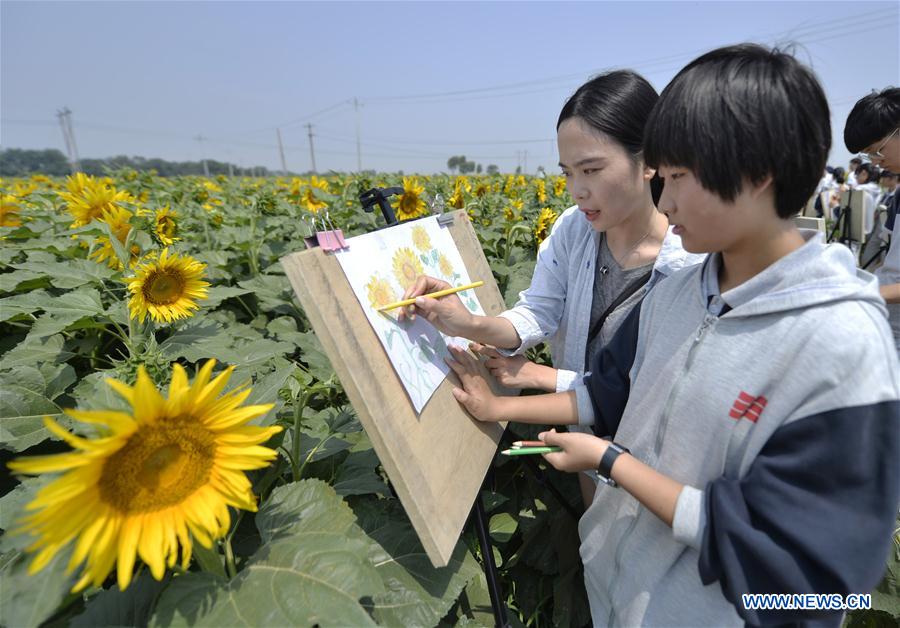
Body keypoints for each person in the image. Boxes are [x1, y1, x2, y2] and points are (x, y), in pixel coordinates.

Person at [445, 44, 899, 626]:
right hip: (619, 590)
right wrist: (498, 403)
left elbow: (824, 585)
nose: (665, 198)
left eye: (678, 177)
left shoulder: (840, 342)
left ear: (757, 175)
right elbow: (606, 391)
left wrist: (612, 463)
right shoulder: (681, 294)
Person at [400, 70, 703, 506]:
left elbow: (647, 390)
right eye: (567, 173)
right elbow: (538, 314)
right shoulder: (573, 231)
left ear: (649, 160)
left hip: (656, 464)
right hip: (581, 443)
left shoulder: (689, 263)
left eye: (592, 169)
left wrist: (545, 377)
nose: (578, 191)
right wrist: (468, 323)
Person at [845, 86, 900, 352]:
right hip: (887, 323)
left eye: (877, 150)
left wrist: (864, 293)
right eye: (869, 155)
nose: (876, 162)